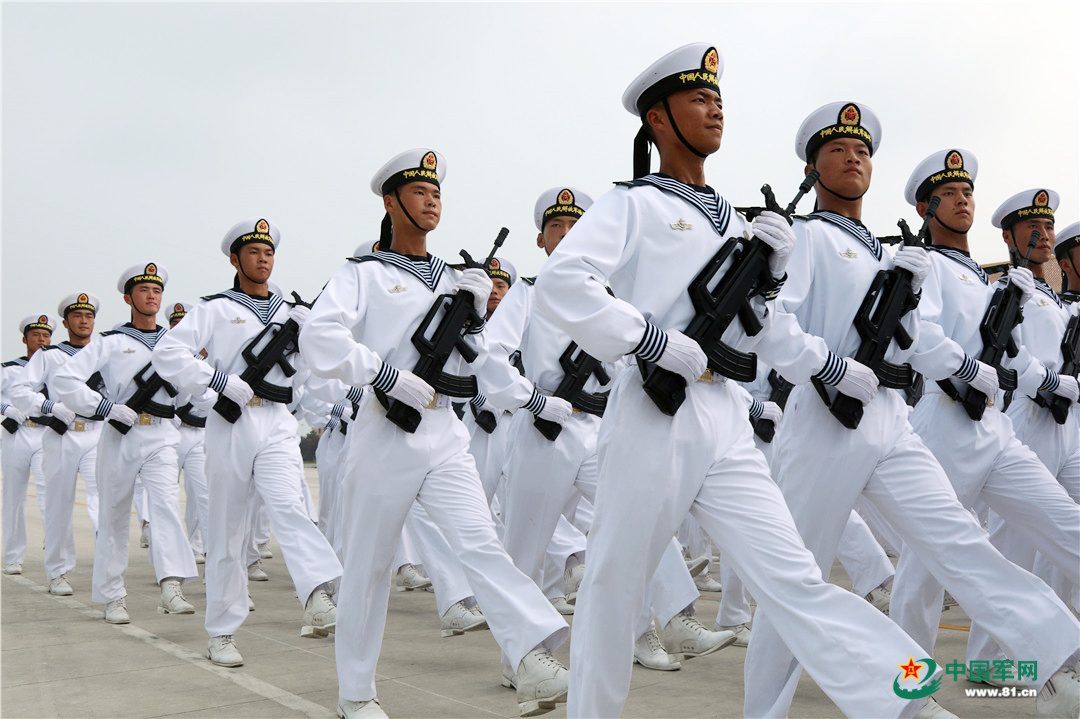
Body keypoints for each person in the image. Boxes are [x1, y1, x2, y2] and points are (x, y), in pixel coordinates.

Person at [533, 44, 956, 719]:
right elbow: (563, 282)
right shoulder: (633, 203)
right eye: (698, 99)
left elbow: (756, 332)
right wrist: (646, 337)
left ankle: (907, 698)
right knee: (614, 593)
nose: (715, 109)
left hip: (724, 413)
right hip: (652, 414)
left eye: (718, 99)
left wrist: (774, 281)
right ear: (658, 119)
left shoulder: (735, 221)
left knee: (795, 578)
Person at [743, 104, 1080, 717]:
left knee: (959, 541)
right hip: (824, 420)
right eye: (839, 150)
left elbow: (915, 338)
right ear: (812, 168)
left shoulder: (886, 253)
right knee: (798, 580)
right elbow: (767, 321)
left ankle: (1055, 658)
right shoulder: (808, 237)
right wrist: (826, 364)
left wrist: (942, 335)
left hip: (891, 418)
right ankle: (766, 710)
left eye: (863, 151)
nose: (854, 159)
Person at [300, 148, 571, 719]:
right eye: (419, 192)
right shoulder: (363, 274)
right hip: (384, 430)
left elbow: (481, 361)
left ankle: (530, 657)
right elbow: (318, 339)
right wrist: (383, 374)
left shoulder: (454, 279)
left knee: (480, 542)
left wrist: (479, 318)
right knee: (370, 567)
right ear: (390, 202)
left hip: (445, 429)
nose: (431, 201)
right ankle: (356, 693)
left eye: (437, 193)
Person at [485, 185, 730, 674]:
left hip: (597, 428)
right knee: (525, 550)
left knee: (641, 521)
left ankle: (662, 624)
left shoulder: (614, 297)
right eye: (557, 227)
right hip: (544, 430)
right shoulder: (527, 294)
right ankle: (520, 657)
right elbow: (490, 356)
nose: (567, 233)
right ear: (541, 240)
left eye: (576, 226)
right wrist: (533, 400)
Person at [884, 155, 1080, 674]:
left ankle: (1033, 659)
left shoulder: (990, 282)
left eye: (967, 192)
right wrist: (970, 367)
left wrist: (1015, 367)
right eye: (949, 194)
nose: (962, 201)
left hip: (995, 425)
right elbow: (918, 334)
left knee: (1068, 526)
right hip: (945, 419)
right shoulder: (925, 265)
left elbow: (1010, 354)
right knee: (925, 568)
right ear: (925, 208)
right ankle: (907, 683)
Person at [152, 219, 343, 667]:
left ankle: (317, 594)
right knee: (227, 530)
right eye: (254, 252)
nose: (263, 259)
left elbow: (312, 373)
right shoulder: (215, 308)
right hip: (230, 421)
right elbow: (168, 353)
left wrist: (311, 342)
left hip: (276, 420)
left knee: (291, 506)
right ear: (235, 260)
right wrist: (216, 380)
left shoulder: (291, 311)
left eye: (268, 252)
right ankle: (221, 632)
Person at [964, 191, 1080, 699]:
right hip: (1028, 418)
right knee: (1012, 547)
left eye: (1048, 227)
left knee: (1065, 531)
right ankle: (986, 660)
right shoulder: (1004, 289)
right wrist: (1048, 382)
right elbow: (1002, 353)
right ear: (1009, 237)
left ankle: (1059, 646)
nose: (1044, 235)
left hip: (1066, 426)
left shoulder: (1052, 297)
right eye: (1033, 227)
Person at [52, 264, 198, 623]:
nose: (152, 296)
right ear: (128, 298)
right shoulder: (111, 342)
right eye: (144, 290)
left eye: (157, 290)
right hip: (120, 436)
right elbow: (65, 379)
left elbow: (188, 391)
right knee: (114, 516)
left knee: (165, 506)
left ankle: (171, 584)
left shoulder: (175, 343)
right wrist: (104, 407)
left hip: (162, 435)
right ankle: (113, 595)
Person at [9, 294, 103, 593]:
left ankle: (106, 562)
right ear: (65, 323)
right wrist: (48, 406)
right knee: (58, 504)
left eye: (88, 316)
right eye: (77, 316)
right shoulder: (49, 356)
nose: (84, 321)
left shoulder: (104, 351)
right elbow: (19, 390)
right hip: (62, 435)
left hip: (97, 434)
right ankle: (58, 572)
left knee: (102, 500)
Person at [2, 313, 58, 574]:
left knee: (48, 493)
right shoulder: (10, 369)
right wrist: (6, 409)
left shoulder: (57, 369)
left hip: (45, 434)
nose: (41, 340)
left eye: (46, 336)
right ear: (25, 339)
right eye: (36, 335)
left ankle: (53, 545)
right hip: (18, 434)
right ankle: (13, 556)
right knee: (14, 497)